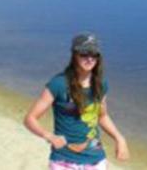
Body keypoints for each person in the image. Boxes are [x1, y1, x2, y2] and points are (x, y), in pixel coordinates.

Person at [24, 33, 129, 169]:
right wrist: (49, 136)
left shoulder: (100, 84)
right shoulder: (59, 84)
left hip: (95, 158)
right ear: (74, 55)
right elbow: (30, 119)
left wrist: (119, 138)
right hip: (64, 159)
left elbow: (102, 116)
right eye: (84, 54)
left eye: (94, 54)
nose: (89, 59)